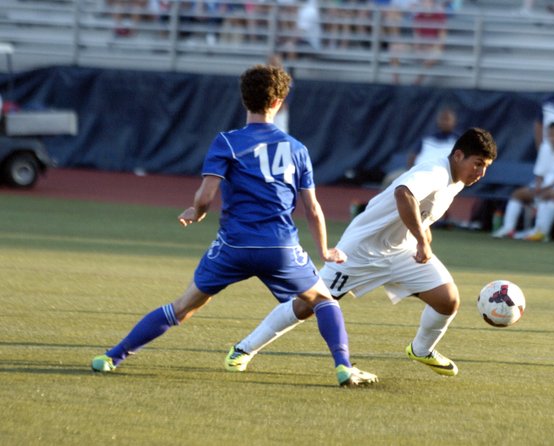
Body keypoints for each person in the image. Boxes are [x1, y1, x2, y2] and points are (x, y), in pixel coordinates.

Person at [90, 64, 378, 387]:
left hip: (233, 247)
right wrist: (324, 249)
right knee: (323, 300)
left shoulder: (227, 143)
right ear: (278, 102)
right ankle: (343, 366)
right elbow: (312, 208)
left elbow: (206, 195)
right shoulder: (297, 149)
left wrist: (196, 212)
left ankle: (113, 356)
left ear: (244, 100)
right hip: (280, 248)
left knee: (183, 307)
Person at [223, 128, 497, 377]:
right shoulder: (436, 172)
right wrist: (422, 242)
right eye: (478, 164)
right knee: (306, 304)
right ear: (458, 155)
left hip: (401, 253)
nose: (481, 173)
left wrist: (423, 236)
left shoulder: (457, 180)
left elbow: (421, 212)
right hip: (361, 251)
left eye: (485, 167)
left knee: (447, 300)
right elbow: (404, 194)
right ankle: (244, 349)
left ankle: (421, 350)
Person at [492, 122, 554, 241]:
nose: (552, 138)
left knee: (552, 196)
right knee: (517, 194)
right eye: (550, 135)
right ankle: (508, 228)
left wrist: (544, 190)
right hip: (542, 187)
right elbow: (539, 173)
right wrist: (538, 186)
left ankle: (542, 232)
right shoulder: (544, 148)